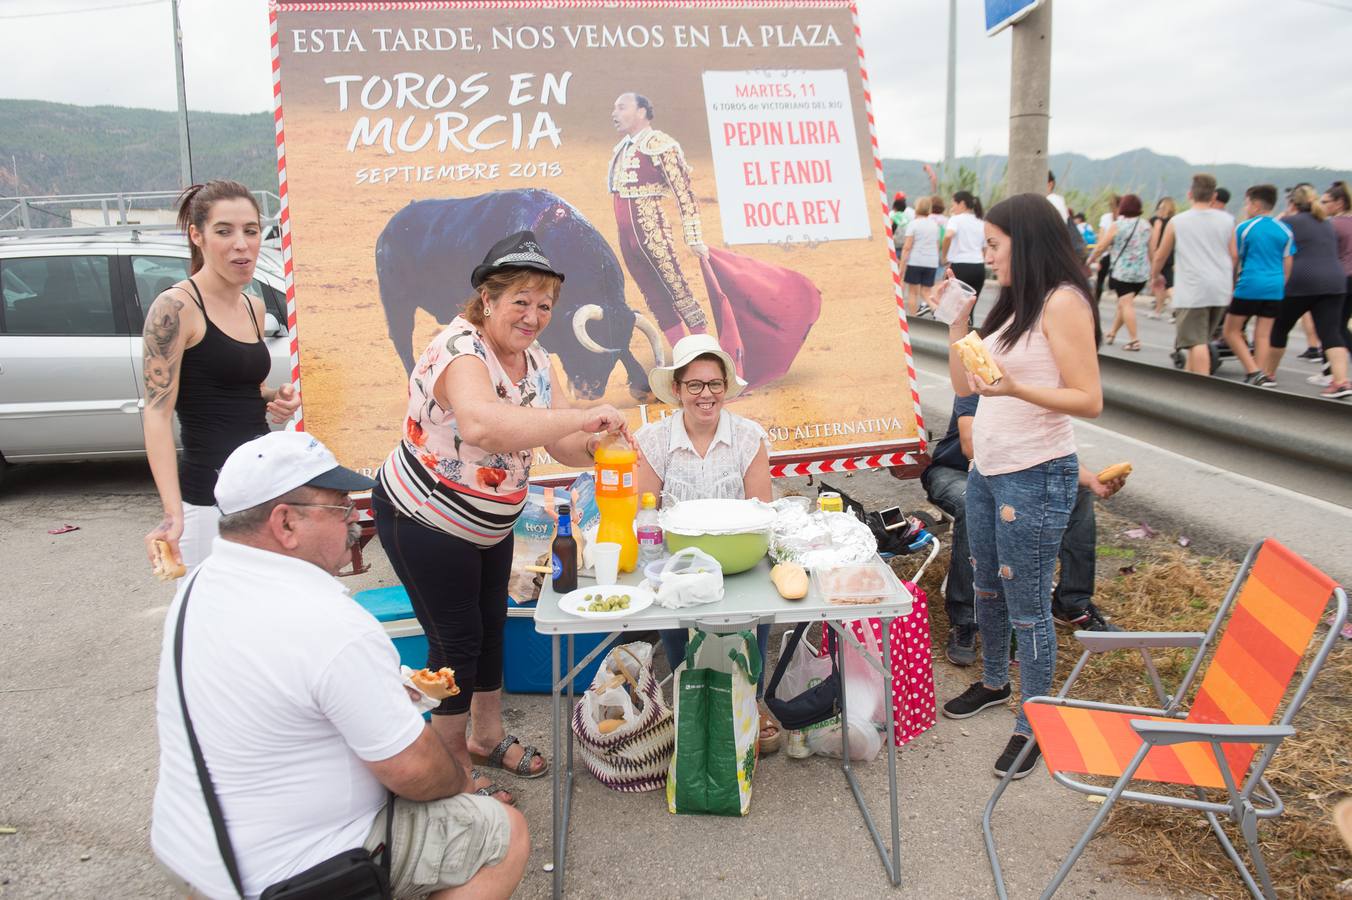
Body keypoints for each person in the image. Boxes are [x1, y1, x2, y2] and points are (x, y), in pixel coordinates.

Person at [151, 431, 529, 900]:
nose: (356, 522)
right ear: (285, 523)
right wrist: (458, 777)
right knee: (502, 831)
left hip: (190, 849)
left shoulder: (202, 582)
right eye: (340, 508)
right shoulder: (329, 621)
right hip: (289, 874)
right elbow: (414, 771)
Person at [372, 231, 628, 802]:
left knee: (490, 629)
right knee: (455, 645)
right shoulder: (460, 350)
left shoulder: (538, 360)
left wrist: (602, 447)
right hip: (425, 519)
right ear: (487, 300)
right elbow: (483, 425)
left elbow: (562, 443)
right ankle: (450, 773)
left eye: (544, 305)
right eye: (520, 301)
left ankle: (487, 737)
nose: (533, 316)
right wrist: (582, 418)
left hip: (489, 524)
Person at [939, 193, 1103, 780]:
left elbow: (1089, 398)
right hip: (989, 468)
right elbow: (971, 382)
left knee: (1029, 605)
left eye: (993, 245)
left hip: (1037, 472)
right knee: (986, 584)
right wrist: (959, 324)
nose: (986, 256)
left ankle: (1034, 722)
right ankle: (992, 682)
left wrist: (1015, 388)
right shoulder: (1013, 302)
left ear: (1025, 242)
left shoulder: (1063, 303)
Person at [141, 180, 301, 571]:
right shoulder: (176, 308)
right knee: (208, 618)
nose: (241, 244)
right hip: (207, 499)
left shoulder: (254, 306)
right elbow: (157, 414)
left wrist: (272, 396)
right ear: (197, 236)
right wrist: (172, 513)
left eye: (250, 230)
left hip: (261, 486)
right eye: (224, 231)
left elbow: (230, 385)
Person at [633, 334, 779, 752]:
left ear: (725, 388)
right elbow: (648, 513)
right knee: (677, 616)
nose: (706, 395)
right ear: (677, 390)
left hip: (739, 560)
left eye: (714, 384)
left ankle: (752, 698)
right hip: (677, 563)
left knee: (755, 615)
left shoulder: (749, 437)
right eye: (694, 385)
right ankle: (690, 697)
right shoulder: (653, 440)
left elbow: (760, 511)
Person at [923, 396, 1123, 665]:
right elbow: (972, 446)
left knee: (1078, 493)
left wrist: (1093, 481)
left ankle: (1072, 602)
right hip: (958, 470)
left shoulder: (1038, 387)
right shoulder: (982, 383)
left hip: (1017, 473)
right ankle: (965, 619)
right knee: (975, 502)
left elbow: (1056, 452)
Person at [608, 91, 709, 347]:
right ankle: (683, 351)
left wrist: (694, 237)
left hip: (652, 231)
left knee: (677, 288)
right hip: (628, 238)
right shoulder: (621, 149)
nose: (614, 113)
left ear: (641, 111)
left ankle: (705, 348)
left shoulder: (661, 144)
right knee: (653, 296)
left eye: (621, 107)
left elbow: (683, 191)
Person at [1262, 186, 1351, 398]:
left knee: (1280, 328)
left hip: (1302, 280)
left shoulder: (1288, 223)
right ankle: (1340, 382)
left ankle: (1268, 374)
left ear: (1292, 203)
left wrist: (1283, 215)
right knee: (1331, 331)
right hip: (1334, 281)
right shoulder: (1327, 223)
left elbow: (1270, 237)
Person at [1151, 174, 1237, 375]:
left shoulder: (1178, 221)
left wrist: (1155, 276)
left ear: (1190, 194)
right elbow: (1234, 255)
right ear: (1214, 196)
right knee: (1200, 339)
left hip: (1193, 289)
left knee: (1196, 343)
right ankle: (1188, 386)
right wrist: (1229, 281)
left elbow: (1161, 255)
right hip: (1220, 289)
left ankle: (1201, 390)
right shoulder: (1228, 220)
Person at [1225, 185, 1293, 387]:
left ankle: (1253, 369)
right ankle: (1260, 375)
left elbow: (1234, 257)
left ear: (1254, 204)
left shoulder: (1244, 228)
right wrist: (1281, 284)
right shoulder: (1284, 229)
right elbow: (1287, 262)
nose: (1246, 207)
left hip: (1250, 284)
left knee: (1230, 331)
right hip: (1275, 286)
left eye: (1247, 203)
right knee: (1263, 334)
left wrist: (1231, 285)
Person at [1088, 194, 1152, 352]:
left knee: (1126, 304)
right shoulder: (1146, 225)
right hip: (1142, 273)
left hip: (1123, 272)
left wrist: (1089, 260)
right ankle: (1112, 333)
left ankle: (1134, 340)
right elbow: (1151, 249)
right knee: (1123, 304)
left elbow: (1102, 246)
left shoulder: (1118, 225)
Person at [1310, 181, 1352, 388]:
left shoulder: (1332, 225)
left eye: (1326, 202)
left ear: (1339, 202)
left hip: (1340, 279)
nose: (1322, 205)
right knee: (1338, 327)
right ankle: (1331, 372)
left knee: (1332, 328)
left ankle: (1333, 374)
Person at [898, 195, 941, 316]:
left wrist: (901, 268)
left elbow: (907, 247)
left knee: (913, 293)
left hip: (916, 261)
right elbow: (937, 246)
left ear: (917, 208)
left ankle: (913, 318)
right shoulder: (935, 225)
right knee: (926, 292)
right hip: (931, 262)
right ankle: (936, 309)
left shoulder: (913, 224)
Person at [943, 191, 987, 295]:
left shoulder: (955, 219)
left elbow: (948, 235)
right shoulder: (981, 222)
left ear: (962, 203)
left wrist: (944, 256)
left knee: (952, 304)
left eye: (953, 205)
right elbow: (985, 248)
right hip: (978, 267)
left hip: (960, 266)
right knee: (969, 305)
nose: (952, 208)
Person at [1147, 197, 1177, 318]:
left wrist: (1153, 256)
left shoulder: (1156, 221)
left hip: (1159, 254)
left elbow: (1154, 239)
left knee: (1163, 284)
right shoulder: (1173, 221)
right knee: (1164, 283)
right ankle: (1159, 309)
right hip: (1170, 255)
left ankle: (1175, 306)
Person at [1094, 195, 1121, 302]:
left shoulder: (1123, 220)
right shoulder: (1106, 217)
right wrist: (1099, 253)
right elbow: (1101, 236)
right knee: (1100, 281)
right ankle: (1095, 303)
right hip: (1105, 254)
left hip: (1117, 255)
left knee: (1114, 284)